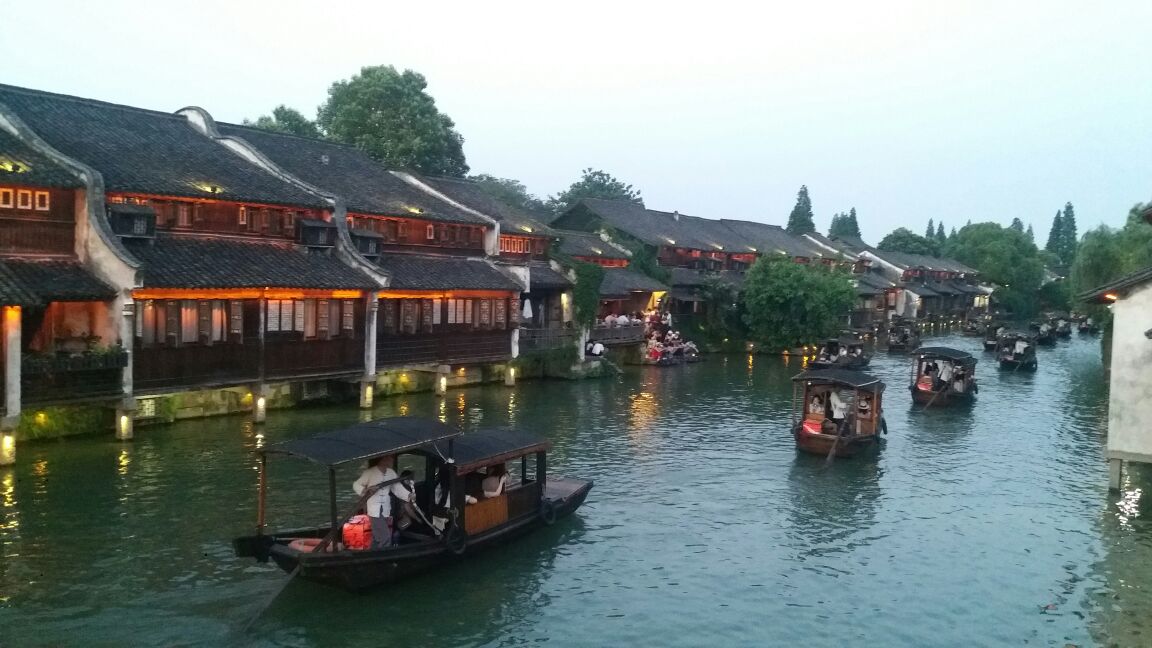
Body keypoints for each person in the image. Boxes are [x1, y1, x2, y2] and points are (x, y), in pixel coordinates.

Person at [353, 456, 414, 549]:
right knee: (385, 537)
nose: (392, 460)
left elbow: (397, 488)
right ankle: (382, 557)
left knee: (376, 535)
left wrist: (408, 495)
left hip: (385, 508)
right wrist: (365, 490)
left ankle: (371, 554)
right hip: (374, 509)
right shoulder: (370, 472)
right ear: (383, 459)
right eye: (390, 458)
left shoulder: (391, 473)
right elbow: (356, 484)